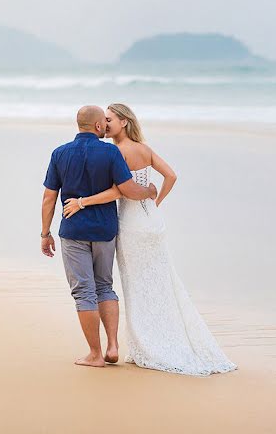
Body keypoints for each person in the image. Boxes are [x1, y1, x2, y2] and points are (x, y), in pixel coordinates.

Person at [62, 103, 237, 376]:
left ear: (123, 121)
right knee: (160, 281)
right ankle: (162, 337)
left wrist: (82, 202)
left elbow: (122, 192)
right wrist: (157, 201)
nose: (105, 125)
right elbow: (171, 175)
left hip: (130, 224)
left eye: (109, 120)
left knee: (135, 284)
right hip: (152, 222)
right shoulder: (144, 148)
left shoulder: (115, 151)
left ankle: (146, 344)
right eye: (104, 120)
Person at [40, 105, 157, 368]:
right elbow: (126, 189)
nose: (106, 125)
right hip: (105, 230)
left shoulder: (59, 153)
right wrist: (148, 191)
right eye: (103, 122)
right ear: (97, 127)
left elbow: (49, 197)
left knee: (84, 292)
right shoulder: (110, 151)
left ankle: (95, 354)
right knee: (104, 285)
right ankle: (112, 345)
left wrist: (45, 233)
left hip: (73, 231)